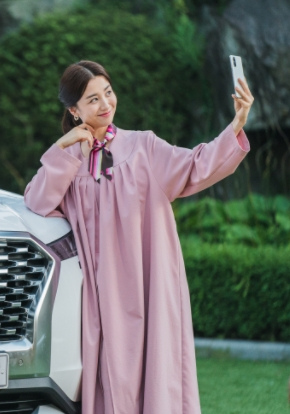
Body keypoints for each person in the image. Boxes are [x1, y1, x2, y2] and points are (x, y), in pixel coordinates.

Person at [23, 60, 254, 414]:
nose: (106, 104)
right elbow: (37, 201)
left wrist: (236, 123)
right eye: (93, 99)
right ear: (74, 110)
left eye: (108, 92)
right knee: (110, 378)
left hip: (150, 285)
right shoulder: (67, 163)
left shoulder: (143, 147)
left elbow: (196, 165)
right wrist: (63, 148)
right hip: (99, 297)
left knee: (157, 372)